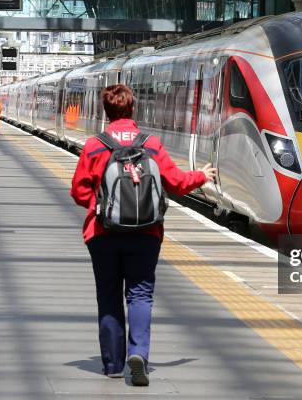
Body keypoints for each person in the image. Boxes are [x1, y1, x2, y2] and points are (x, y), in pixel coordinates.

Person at [70, 84, 216, 386]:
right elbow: (175, 182)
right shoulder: (151, 143)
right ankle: (139, 355)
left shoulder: (94, 145)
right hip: (146, 232)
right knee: (140, 294)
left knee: (109, 296)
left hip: (103, 232)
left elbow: (78, 191)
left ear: (105, 111)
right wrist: (202, 175)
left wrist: (102, 205)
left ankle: (111, 363)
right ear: (132, 109)